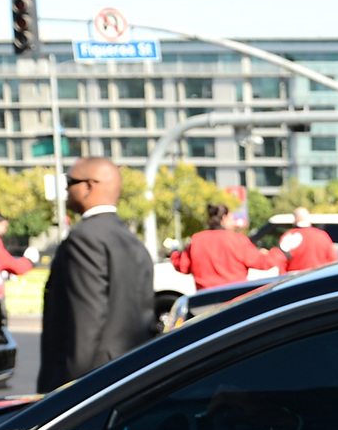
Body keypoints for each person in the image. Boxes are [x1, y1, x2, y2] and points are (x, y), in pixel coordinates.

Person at [37, 156, 157, 392]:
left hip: (93, 381)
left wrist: (68, 393)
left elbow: (85, 324)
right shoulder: (132, 240)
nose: (66, 188)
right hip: (129, 373)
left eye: (70, 181)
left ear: (88, 186)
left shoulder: (85, 239)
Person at [170, 203, 285, 288]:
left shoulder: (197, 240)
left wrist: (173, 252)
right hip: (233, 298)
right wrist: (280, 253)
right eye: (231, 217)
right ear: (224, 218)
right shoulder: (237, 239)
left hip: (204, 300)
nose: (233, 221)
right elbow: (262, 262)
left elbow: (182, 266)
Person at [278, 207, 338, 273]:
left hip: (295, 280)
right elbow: (333, 262)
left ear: (295, 219)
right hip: (319, 279)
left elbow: (280, 263)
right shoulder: (322, 236)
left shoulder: (288, 236)